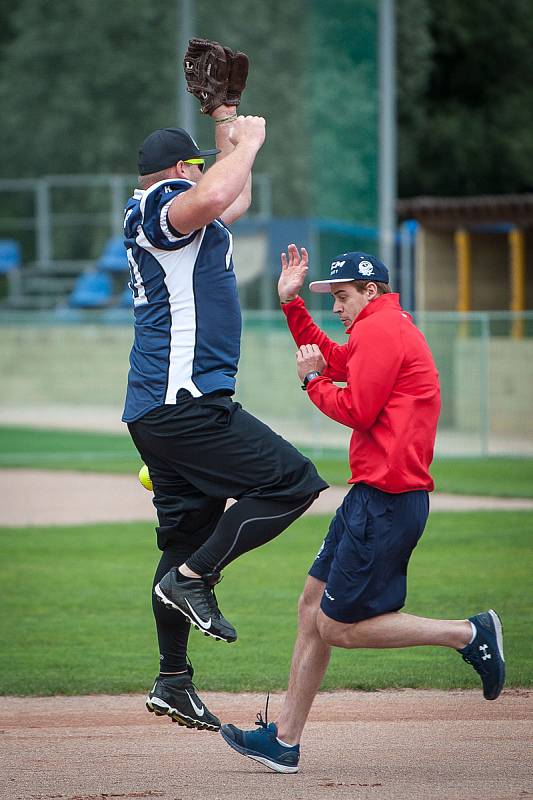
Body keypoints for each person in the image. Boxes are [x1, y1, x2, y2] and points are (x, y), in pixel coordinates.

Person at [220, 245, 505, 773]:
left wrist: (310, 383)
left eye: (343, 295)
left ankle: (467, 633)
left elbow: (356, 408)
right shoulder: (378, 327)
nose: (337, 305)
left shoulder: (382, 330)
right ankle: (284, 741)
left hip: (389, 500)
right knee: (312, 607)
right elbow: (332, 357)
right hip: (371, 495)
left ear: (370, 290)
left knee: (338, 626)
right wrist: (291, 306)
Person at [122, 101, 328, 729]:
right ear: (175, 171)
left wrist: (226, 120)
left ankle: (173, 679)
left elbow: (225, 199)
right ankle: (193, 578)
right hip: (183, 404)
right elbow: (213, 195)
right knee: (293, 483)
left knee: (185, 535)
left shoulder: (194, 218)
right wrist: (252, 143)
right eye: (194, 164)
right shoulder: (156, 209)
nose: (202, 173)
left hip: (167, 408)